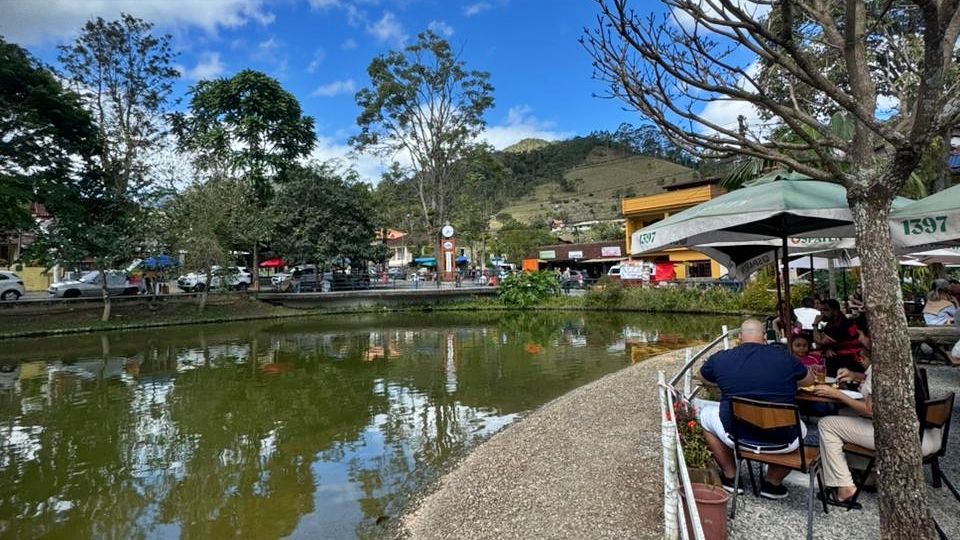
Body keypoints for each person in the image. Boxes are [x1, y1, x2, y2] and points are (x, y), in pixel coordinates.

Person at [696, 319, 815, 498]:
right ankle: (772, 483)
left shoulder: (721, 358)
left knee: (705, 415)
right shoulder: (785, 358)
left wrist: (724, 382)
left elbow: (703, 376)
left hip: (736, 435)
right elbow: (809, 380)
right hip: (782, 440)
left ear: (739, 337)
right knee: (801, 429)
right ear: (765, 338)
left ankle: (731, 476)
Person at [815, 352, 938, 508]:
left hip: (902, 438)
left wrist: (837, 394)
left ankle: (844, 485)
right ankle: (868, 473)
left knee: (827, 424)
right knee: (847, 414)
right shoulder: (902, 359)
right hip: (928, 435)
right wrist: (855, 375)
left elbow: (870, 411)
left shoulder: (879, 368)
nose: (859, 353)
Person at [815, 299, 865, 376]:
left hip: (851, 363)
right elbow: (820, 345)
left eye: (825, 310)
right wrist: (827, 348)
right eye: (821, 310)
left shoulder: (843, 324)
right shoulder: (830, 324)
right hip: (840, 361)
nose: (822, 313)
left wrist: (815, 324)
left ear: (835, 311)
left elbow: (819, 341)